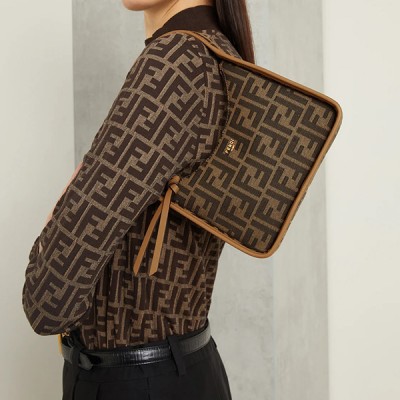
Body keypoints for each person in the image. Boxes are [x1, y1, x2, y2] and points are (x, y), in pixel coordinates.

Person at [21, 0, 255, 399]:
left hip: (134, 382)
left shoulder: (176, 63)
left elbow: (48, 300)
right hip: (177, 372)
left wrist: (56, 215)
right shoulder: (215, 53)